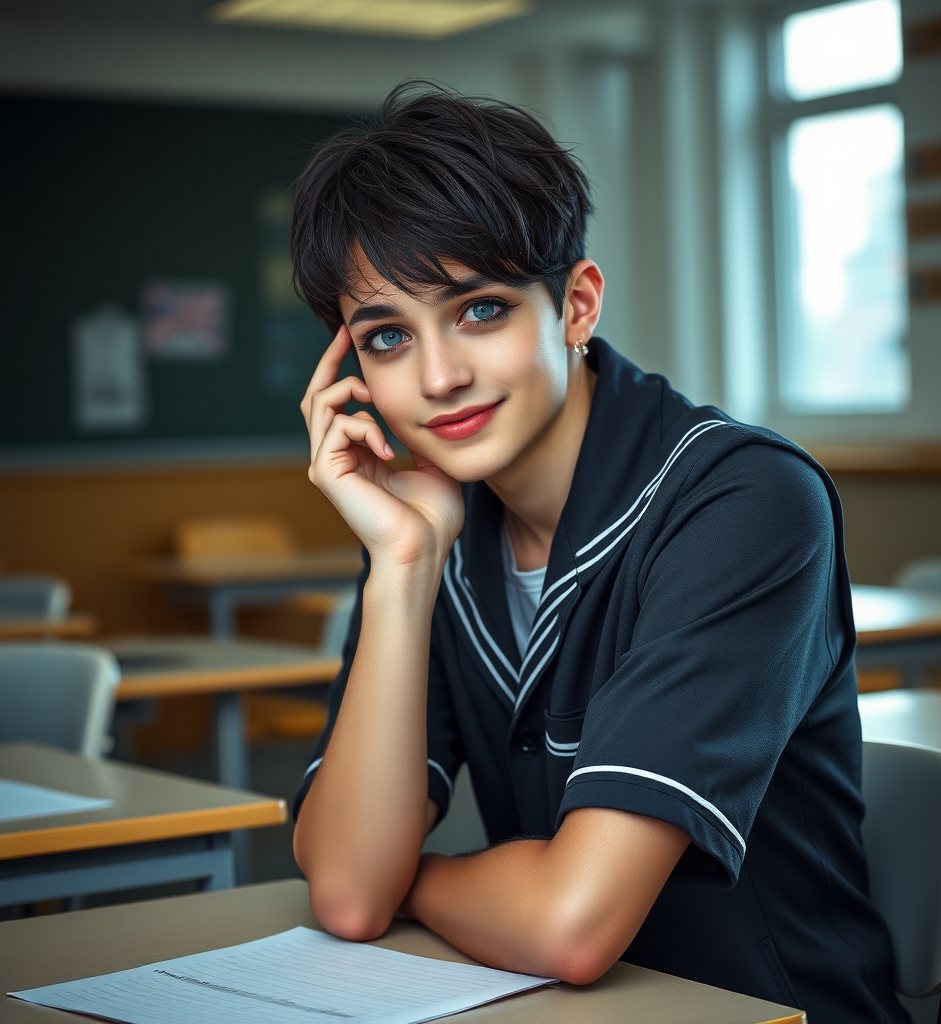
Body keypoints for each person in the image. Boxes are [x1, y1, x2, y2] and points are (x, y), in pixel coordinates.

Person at [289, 83, 907, 1023]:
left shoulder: (744, 503)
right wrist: (404, 568)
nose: (439, 376)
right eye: (386, 337)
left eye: (480, 311)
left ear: (576, 305)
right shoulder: (430, 526)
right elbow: (343, 890)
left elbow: (570, 928)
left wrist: (413, 877)